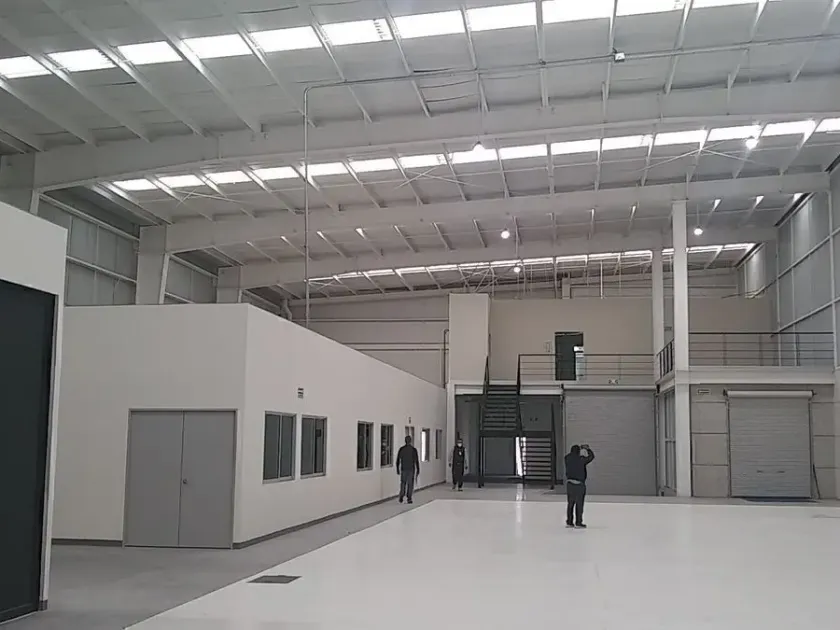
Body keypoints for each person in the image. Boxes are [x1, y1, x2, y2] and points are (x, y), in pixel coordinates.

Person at [564, 444, 595, 529]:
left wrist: (578, 449)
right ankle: (578, 522)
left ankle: (569, 522)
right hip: (579, 484)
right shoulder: (581, 459)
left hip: (570, 484)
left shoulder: (567, 458)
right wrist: (587, 449)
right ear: (578, 452)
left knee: (570, 504)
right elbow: (591, 457)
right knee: (579, 504)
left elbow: (570, 455)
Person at [396, 435, 420, 504]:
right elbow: (416, 461)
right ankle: (409, 498)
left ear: (405, 441)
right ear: (410, 441)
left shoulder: (401, 449)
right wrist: (418, 469)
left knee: (403, 483)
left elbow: (398, 460)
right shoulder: (413, 450)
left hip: (403, 469)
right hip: (411, 469)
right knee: (410, 484)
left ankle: (401, 496)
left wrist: (397, 469)